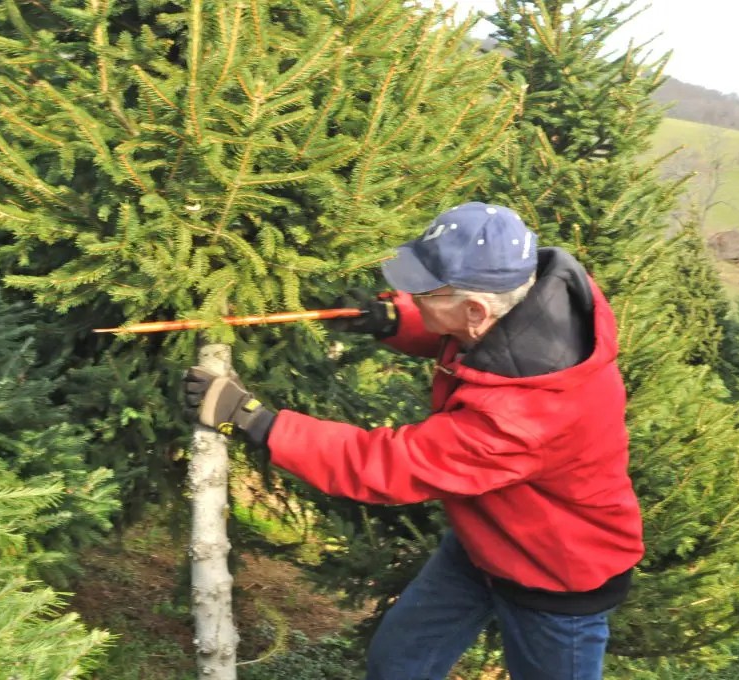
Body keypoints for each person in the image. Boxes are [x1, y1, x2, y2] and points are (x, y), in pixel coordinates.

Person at [183, 201, 644, 680]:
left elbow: (389, 464)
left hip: (556, 578)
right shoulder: (528, 304)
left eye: (422, 290)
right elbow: (471, 338)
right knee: (399, 665)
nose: (410, 292)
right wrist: (395, 319)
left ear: (475, 310)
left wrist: (256, 421)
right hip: (482, 541)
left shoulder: (522, 418)